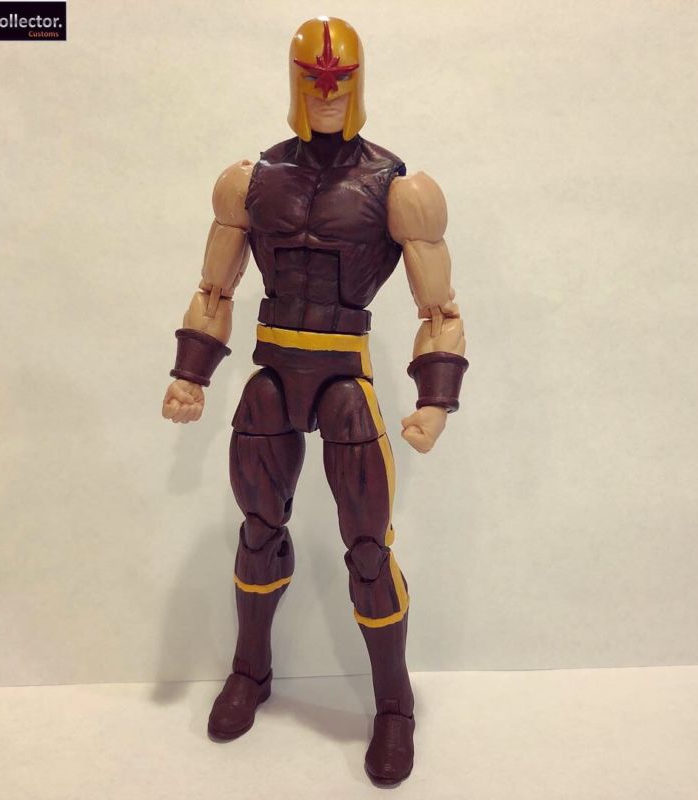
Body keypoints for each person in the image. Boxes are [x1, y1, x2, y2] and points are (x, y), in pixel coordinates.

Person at [161, 16, 468, 786]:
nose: (327, 91)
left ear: (359, 81)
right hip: (272, 372)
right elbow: (214, 288)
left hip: (341, 379)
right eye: (313, 78)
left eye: (340, 79)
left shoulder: (399, 188)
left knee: (368, 550)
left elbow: (440, 310)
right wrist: (191, 374)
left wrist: (435, 399)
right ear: (294, 81)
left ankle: (393, 706)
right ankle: (251, 671)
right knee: (258, 531)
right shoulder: (251, 180)